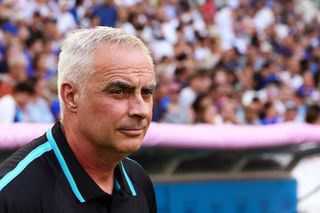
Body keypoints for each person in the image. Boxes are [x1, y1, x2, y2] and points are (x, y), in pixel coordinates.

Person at [0, 27, 157, 213]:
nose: (140, 110)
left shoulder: (138, 181)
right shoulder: (11, 196)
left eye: (147, 92)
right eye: (119, 91)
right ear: (71, 96)